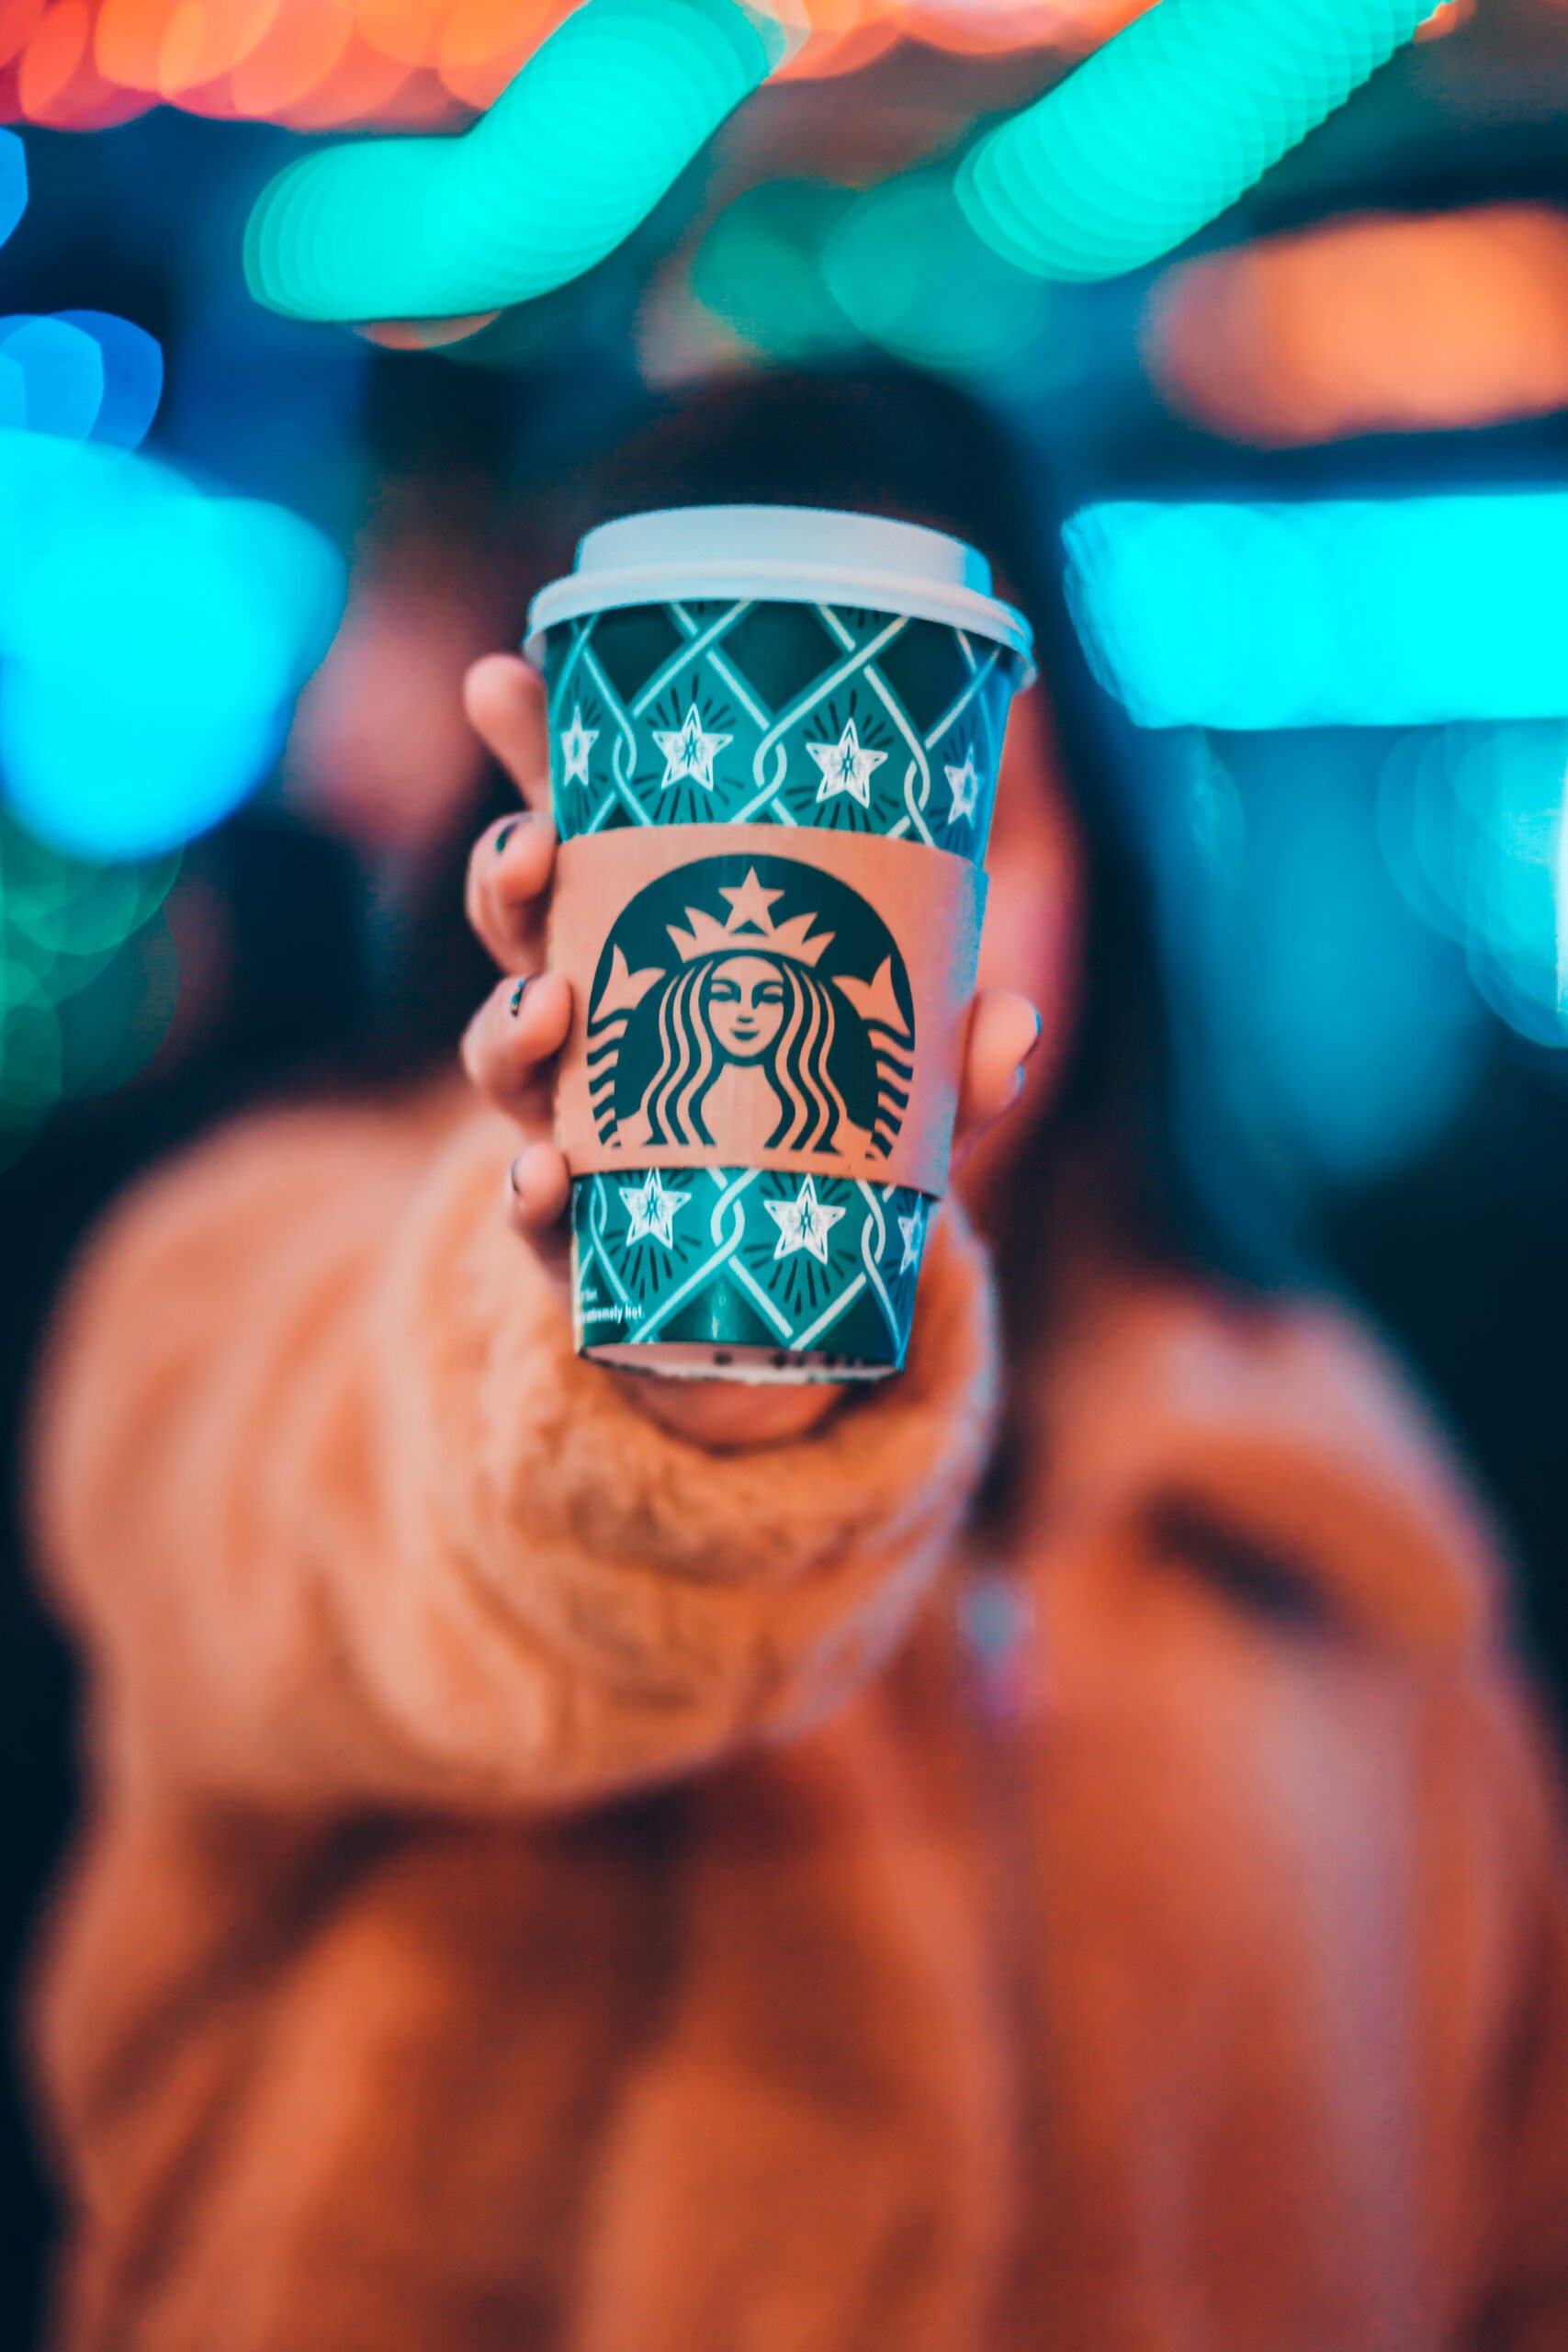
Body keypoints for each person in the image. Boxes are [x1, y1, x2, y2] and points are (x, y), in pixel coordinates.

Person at [23, 370, 1568, 2352]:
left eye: (973, 817)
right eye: (690, 835)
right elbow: (383, 1514)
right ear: (542, 860)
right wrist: (654, 1367)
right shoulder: (251, 1280)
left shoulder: (1333, 1523)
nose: (819, 931)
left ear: (1102, 858)